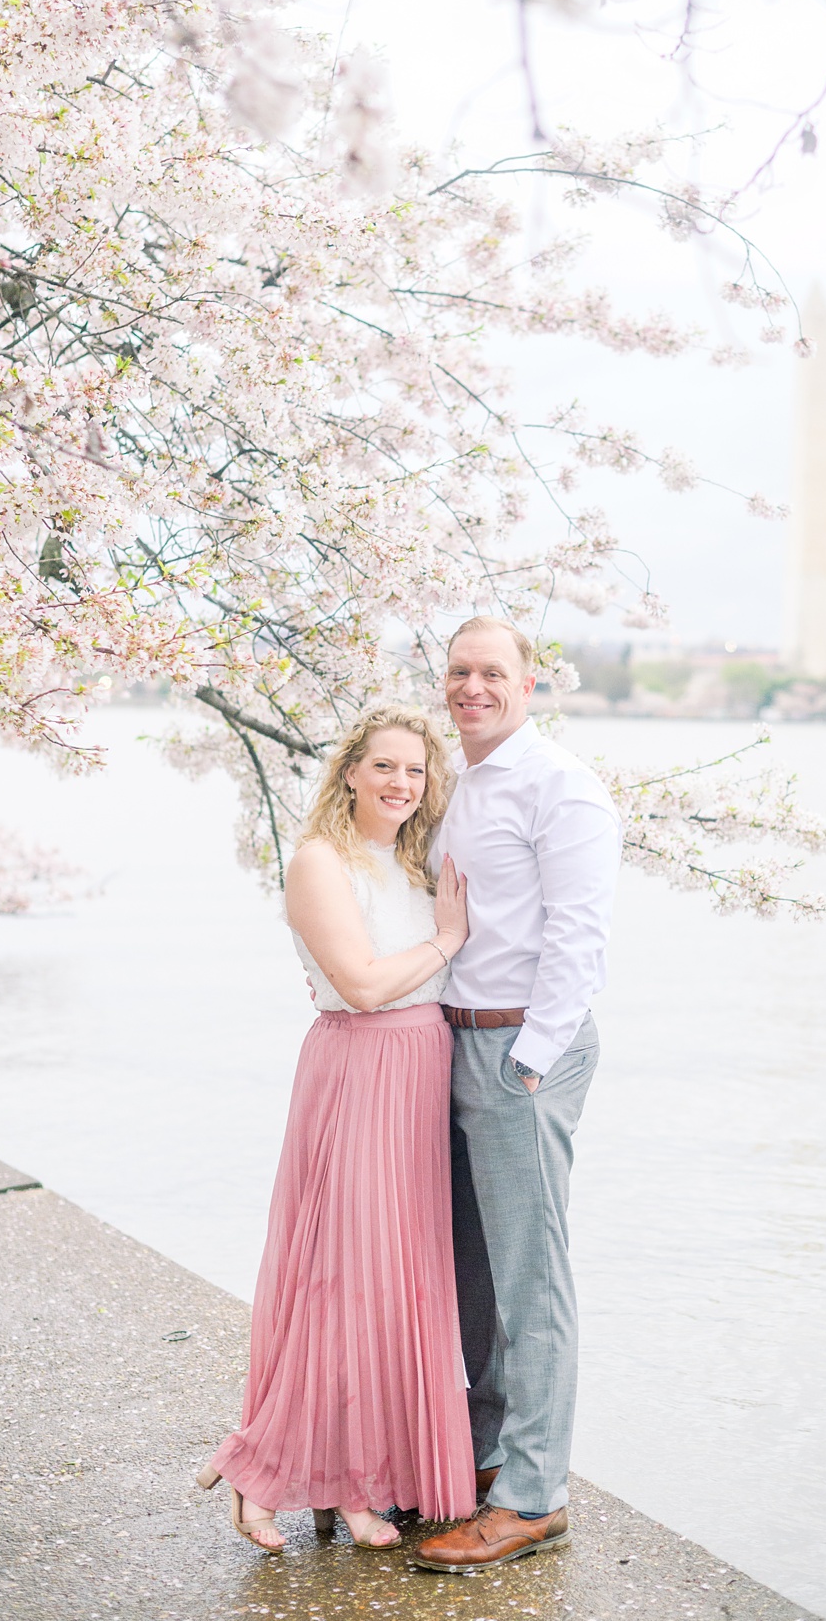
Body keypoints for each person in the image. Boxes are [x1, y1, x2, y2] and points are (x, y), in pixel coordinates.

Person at [196, 704, 476, 1552]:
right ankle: (266, 1471)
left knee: (395, 1282)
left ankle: (361, 1479)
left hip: (421, 1068)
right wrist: (452, 938)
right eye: (384, 766)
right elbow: (359, 983)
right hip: (359, 1068)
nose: (400, 783)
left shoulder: (412, 866)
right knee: (340, 1275)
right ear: (350, 770)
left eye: (416, 771)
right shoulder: (322, 861)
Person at [411, 615, 621, 1573]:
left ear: (529, 685)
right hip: (451, 1046)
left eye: (492, 672)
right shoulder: (456, 784)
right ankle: (488, 1459)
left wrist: (527, 1065)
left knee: (532, 1281)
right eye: (459, 671)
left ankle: (534, 1497)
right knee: (472, 1274)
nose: (472, 687)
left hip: (517, 1056)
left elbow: (579, 940)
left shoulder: (560, 787)